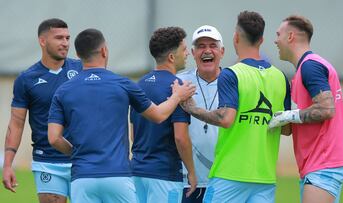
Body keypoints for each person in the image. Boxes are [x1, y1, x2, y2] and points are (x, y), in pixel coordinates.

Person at [47, 28, 195, 203]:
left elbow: (54, 138)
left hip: (82, 177)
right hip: (119, 176)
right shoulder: (124, 84)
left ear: (78, 55)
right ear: (104, 51)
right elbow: (158, 116)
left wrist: (79, 155)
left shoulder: (63, 91)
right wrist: (177, 96)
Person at [181, 11, 291, 203]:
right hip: (264, 176)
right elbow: (287, 129)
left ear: (235, 38)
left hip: (230, 175)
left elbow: (226, 119)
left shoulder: (232, 74)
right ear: (262, 39)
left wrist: (193, 109)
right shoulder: (280, 77)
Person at [269, 15, 343, 203]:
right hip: (319, 163)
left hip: (324, 161)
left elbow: (326, 109)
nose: (275, 40)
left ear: (290, 36)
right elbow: (291, 127)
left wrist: (288, 115)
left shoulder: (310, 66)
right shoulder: (305, 69)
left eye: (278, 34)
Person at [2, 18, 82, 203]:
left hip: (82, 160)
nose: (65, 43)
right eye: (59, 38)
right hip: (47, 162)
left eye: (67, 38)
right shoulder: (26, 79)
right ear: (42, 41)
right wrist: (7, 165)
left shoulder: (81, 69)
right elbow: (16, 124)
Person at [130, 26, 197, 203]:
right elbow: (181, 138)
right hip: (164, 175)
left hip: (136, 173)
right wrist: (191, 172)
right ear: (172, 57)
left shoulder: (139, 84)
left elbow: (132, 133)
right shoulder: (179, 88)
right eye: (184, 50)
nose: (187, 54)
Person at [177, 25, 224, 203]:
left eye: (212, 45)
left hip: (224, 180)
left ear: (222, 51)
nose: (207, 50)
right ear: (193, 52)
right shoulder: (180, 82)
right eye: (201, 46)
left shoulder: (234, 81)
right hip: (188, 180)